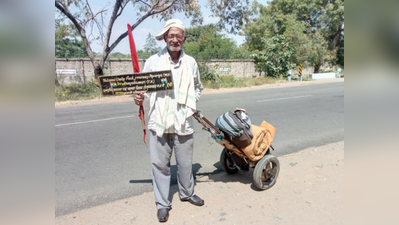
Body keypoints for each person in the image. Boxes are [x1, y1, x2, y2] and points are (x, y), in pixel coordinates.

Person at [133, 18, 204, 223]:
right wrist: (139, 97)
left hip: (183, 121)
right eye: (170, 35)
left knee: (184, 163)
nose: (174, 39)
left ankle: (187, 193)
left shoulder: (191, 62)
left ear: (184, 38)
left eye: (178, 36)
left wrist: (191, 101)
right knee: (160, 165)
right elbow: (143, 89)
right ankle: (163, 204)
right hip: (160, 121)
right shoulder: (153, 61)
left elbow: (198, 87)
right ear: (165, 37)